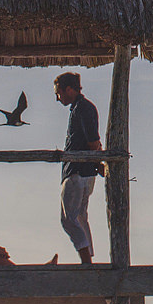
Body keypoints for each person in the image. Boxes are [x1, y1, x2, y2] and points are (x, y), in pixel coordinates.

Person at [55, 71, 104, 264]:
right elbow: (94, 142)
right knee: (81, 217)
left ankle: (86, 262)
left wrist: (97, 161)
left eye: (58, 93)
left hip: (77, 172)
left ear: (68, 90)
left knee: (69, 220)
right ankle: (88, 261)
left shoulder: (82, 108)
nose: (58, 98)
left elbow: (93, 140)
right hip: (86, 172)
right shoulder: (83, 107)